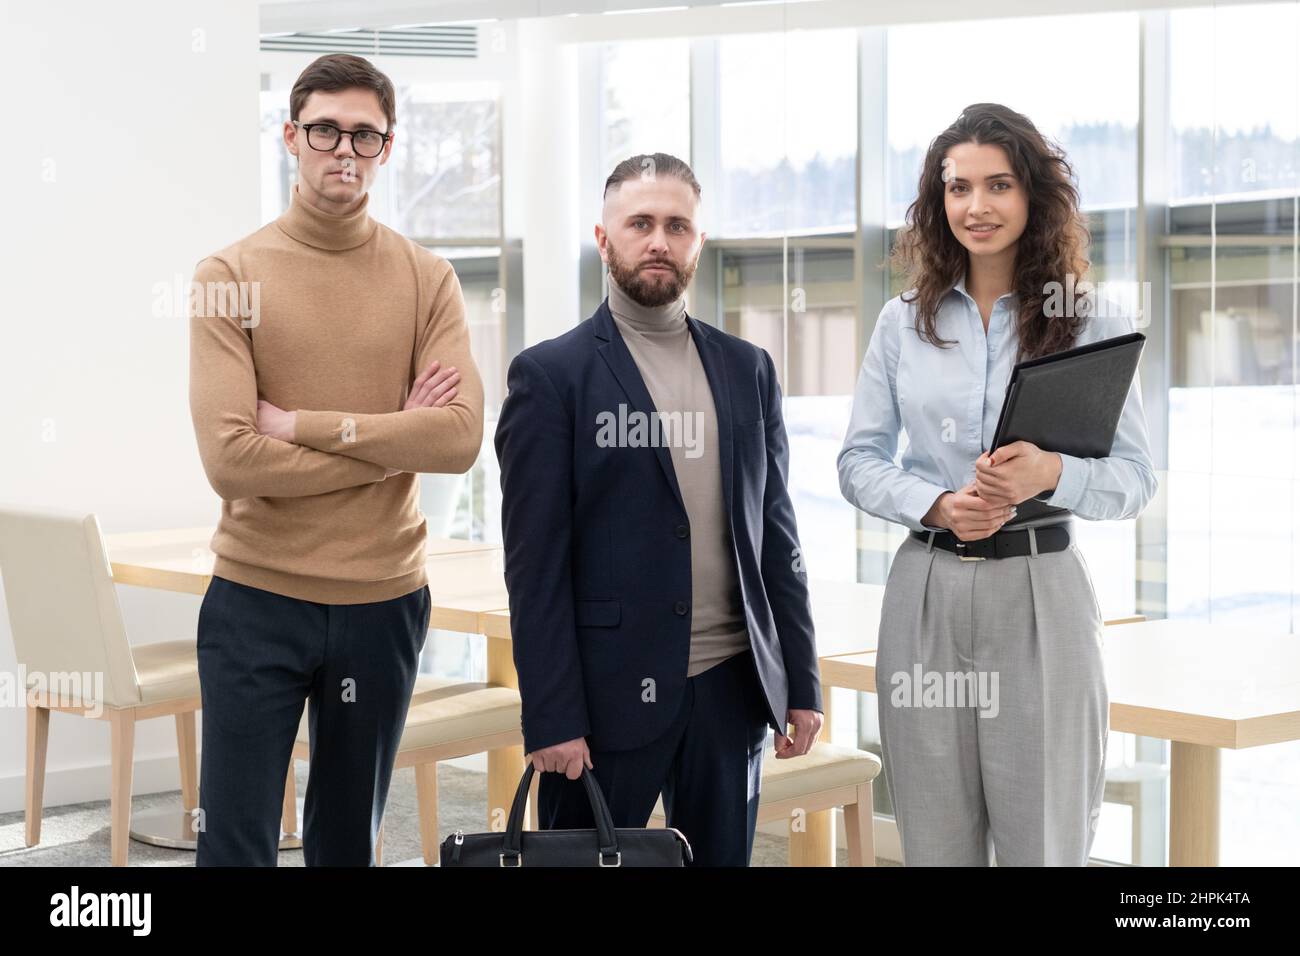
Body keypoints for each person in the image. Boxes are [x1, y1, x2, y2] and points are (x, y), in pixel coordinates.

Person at [837, 103, 1157, 866]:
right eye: (957, 188)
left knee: (1042, 838)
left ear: (1033, 197)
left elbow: (1135, 480)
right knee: (934, 837)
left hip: (1042, 590)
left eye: (998, 185)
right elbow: (858, 460)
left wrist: (1054, 472)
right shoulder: (902, 322)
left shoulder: (1088, 319)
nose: (975, 207)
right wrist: (936, 503)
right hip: (925, 590)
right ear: (937, 201)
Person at [187, 53, 484, 865]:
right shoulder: (228, 277)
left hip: (383, 603)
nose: (343, 149)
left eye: (364, 134)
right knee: (237, 842)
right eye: (325, 129)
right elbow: (231, 461)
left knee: (346, 844)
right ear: (291, 135)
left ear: (387, 148)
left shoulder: (429, 280)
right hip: (257, 598)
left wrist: (302, 425)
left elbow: (456, 438)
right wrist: (391, 443)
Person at [494, 153, 823, 866]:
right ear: (604, 238)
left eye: (678, 226)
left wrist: (800, 681)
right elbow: (534, 566)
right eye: (639, 223)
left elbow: (777, 538)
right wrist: (551, 715)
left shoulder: (748, 368)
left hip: (730, 692)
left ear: (698, 242)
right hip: (603, 703)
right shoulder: (551, 377)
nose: (659, 241)